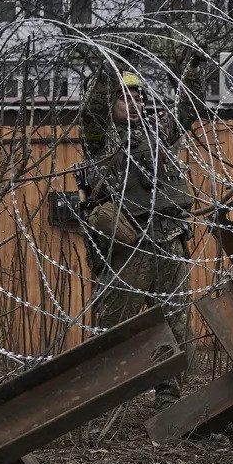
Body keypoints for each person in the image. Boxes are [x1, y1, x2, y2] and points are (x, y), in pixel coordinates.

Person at [79, 63, 204, 408]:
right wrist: (109, 68)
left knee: (175, 320)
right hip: (129, 245)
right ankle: (102, 401)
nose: (133, 102)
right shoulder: (100, 138)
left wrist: (194, 68)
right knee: (116, 325)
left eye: (137, 95)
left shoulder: (156, 133)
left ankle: (169, 398)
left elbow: (188, 109)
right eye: (124, 96)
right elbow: (92, 110)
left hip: (168, 238)